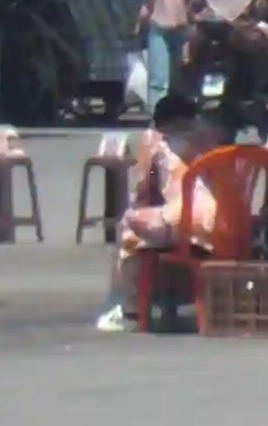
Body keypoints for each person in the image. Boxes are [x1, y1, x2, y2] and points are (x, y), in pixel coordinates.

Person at [95, 89, 223, 331]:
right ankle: (170, 297)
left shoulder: (160, 144)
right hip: (229, 221)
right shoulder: (214, 139)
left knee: (129, 227)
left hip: (187, 222)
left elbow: (143, 187)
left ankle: (129, 309)